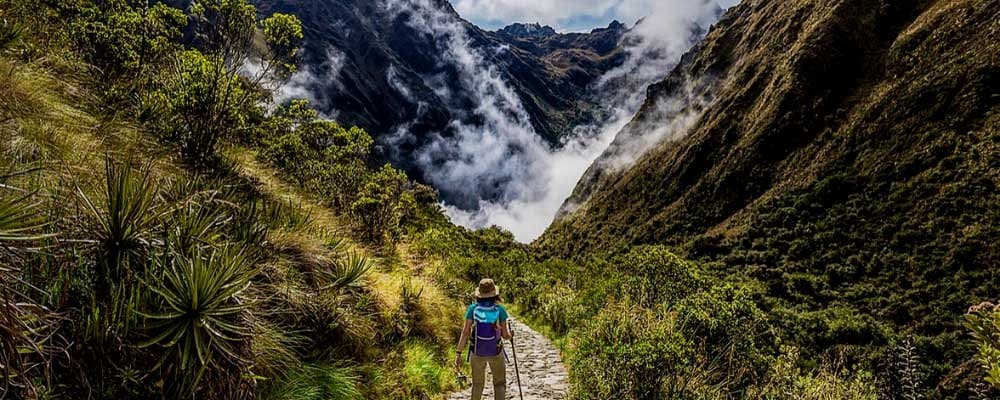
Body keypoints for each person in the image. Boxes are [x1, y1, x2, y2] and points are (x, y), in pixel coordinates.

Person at [455, 278, 512, 400]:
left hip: (477, 352)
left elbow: (465, 332)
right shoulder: (500, 310)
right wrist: (511, 335)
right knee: (499, 384)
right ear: (494, 293)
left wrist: (458, 353)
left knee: (477, 385)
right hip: (496, 351)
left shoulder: (472, 309)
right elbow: (505, 335)